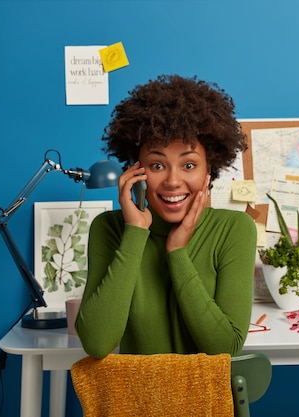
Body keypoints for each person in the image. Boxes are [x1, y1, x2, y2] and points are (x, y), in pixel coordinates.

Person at [76, 74, 257, 359]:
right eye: (157, 164)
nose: (173, 181)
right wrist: (135, 233)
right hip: (135, 401)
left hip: (206, 402)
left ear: (209, 170)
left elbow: (224, 348)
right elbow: (97, 344)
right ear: (135, 170)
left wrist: (177, 252)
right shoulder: (110, 229)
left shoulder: (233, 229)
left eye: (188, 164)